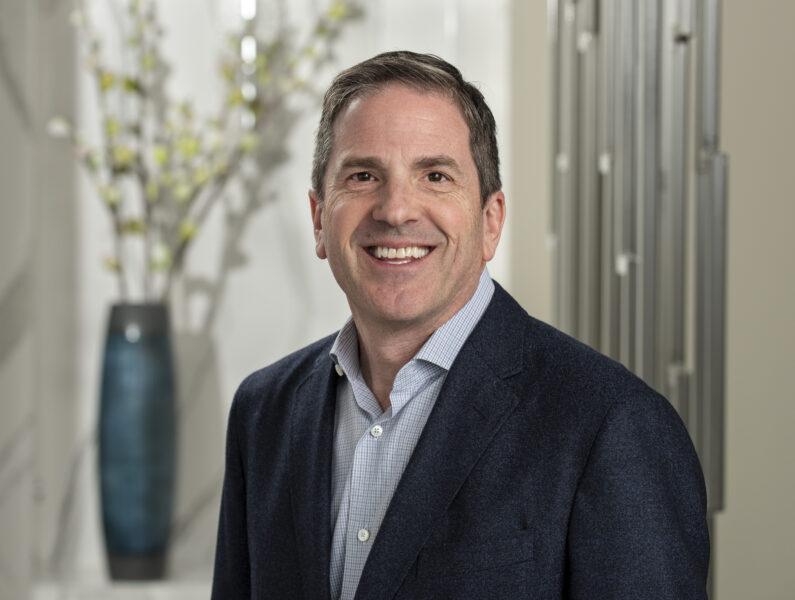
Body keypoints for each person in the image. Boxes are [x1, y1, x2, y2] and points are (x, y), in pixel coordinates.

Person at [211, 51, 709, 599]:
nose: (396, 210)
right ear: (318, 220)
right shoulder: (263, 413)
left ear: (490, 221)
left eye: (435, 176)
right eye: (363, 175)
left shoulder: (611, 425)